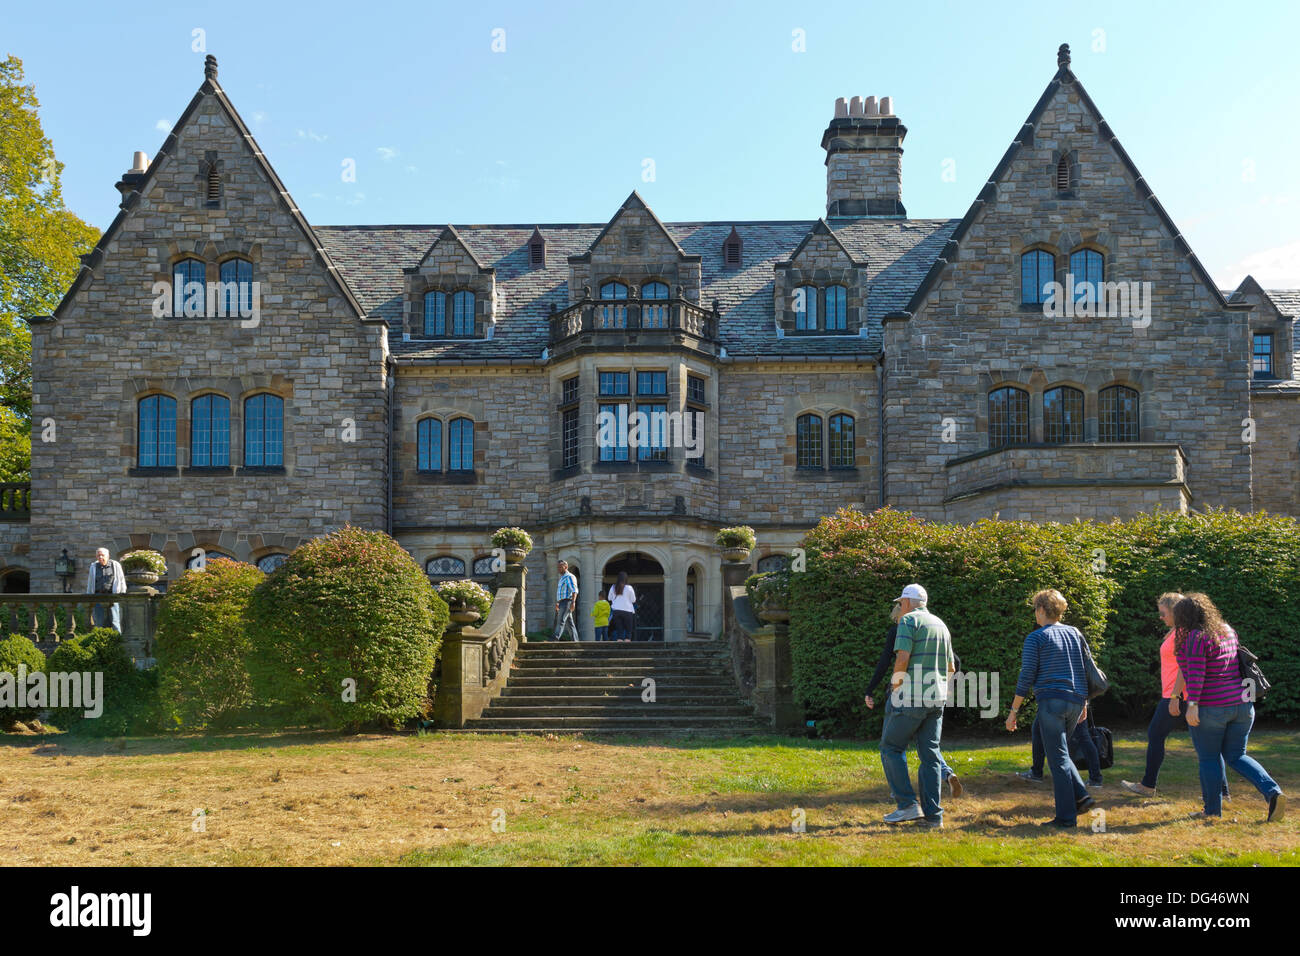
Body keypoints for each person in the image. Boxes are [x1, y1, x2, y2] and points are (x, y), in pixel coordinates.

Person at [1174, 592, 1285, 822]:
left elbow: (1196, 674)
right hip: (1243, 706)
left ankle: (1212, 811)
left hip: (1211, 707)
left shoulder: (1196, 637)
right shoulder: (1226, 630)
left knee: (1209, 758)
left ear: (1185, 616)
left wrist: (1192, 704)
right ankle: (1273, 792)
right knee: (1237, 756)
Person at [1121, 592, 1228, 800]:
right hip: (1179, 694)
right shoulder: (1177, 631)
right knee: (1206, 744)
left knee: (1157, 735)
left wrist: (1175, 696)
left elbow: (1185, 667)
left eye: (1163, 613)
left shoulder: (1185, 633)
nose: (1160, 617)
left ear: (1175, 611)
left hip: (1181, 695)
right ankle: (1222, 793)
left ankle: (1148, 785)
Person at [1007, 589, 1094, 828]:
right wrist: (1084, 701)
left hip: (1051, 701)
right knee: (1061, 752)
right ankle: (1082, 796)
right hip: (1075, 700)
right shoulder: (1075, 633)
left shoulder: (1036, 638)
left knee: (1057, 758)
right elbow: (1086, 668)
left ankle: (1066, 818)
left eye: (1035, 608)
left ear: (1042, 610)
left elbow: (1026, 676)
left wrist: (1013, 711)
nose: (1034, 613)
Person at [865, 596, 963, 798]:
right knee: (928, 748)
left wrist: (875, 689)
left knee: (892, 745)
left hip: (907, 694)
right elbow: (954, 663)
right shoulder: (937, 627)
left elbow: (889, 662)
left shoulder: (902, 629)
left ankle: (902, 797)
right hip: (934, 695)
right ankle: (940, 794)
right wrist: (946, 685)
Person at [878, 584, 954, 828]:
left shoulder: (908, 621)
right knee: (930, 755)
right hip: (937, 697)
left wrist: (896, 689)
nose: (899, 607)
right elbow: (951, 668)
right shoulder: (940, 624)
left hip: (911, 695)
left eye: (901, 602)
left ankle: (907, 805)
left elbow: (902, 658)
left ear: (908, 603)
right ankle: (934, 817)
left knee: (890, 747)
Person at [1017, 708, 1102, 788]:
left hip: (1055, 700)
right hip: (1075, 702)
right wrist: (1084, 706)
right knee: (1083, 738)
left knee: (1038, 730)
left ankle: (1036, 773)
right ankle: (1095, 778)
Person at [85, 547, 125, 633]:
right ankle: (101, 642)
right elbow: (90, 582)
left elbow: (121, 580)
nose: (100, 557)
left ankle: (118, 641)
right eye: (98, 555)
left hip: (113, 597)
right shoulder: (93, 566)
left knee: (115, 621)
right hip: (98, 597)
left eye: (102, 555)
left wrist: (122, 594)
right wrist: (89, 595)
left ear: (108, 556)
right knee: (100, 622)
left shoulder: (115, 565)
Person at [553, 559, 579, 642]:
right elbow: (561, 592)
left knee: (560, 621)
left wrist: (573, 602)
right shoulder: (562, 578)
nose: (559, 569)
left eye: (561, 567)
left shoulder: (569, 577)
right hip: (562, 602)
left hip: (567, 602)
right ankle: (575, 641)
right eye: (558, 567)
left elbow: (574, 590)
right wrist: (558, 602)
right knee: (570, 624)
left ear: (566, 567)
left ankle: (554, 639)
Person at [608, 571, 636, 642]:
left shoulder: (613, 587)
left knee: (619, 629)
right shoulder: (629, 588)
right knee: (628, 630)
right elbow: (633, 600)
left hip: (616, 610)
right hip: (628, 611)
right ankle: (627, 643)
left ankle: (620, 641)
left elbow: (609, 598)